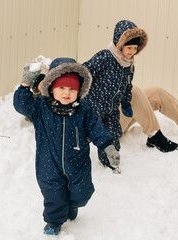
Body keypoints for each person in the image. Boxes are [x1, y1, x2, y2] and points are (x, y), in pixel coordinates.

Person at [82, 20, 178, 170]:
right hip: (106, 123)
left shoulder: (128, 64)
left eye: (135, 48)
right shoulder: (104, 57)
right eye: (129, 47)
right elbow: (82, 73)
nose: (132, 51)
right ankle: (155, 135)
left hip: (121, 112)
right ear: (120, 43)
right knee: (135, 92)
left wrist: (125, 103)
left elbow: (126, 89)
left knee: (155, 92)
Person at [13, 57, 119, 235]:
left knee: (82, 193)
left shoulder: (84, 109)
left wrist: (108, 145)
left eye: (72, 89)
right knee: (53, 194)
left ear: (79, 91)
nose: (66, 93)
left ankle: (72, 205)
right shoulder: (41, 107)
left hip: (77, 163)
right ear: (51, 88)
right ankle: (54, 222)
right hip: (48, 163)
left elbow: (95, 128)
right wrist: (26, 83)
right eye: (61, 88)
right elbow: (21, 104)